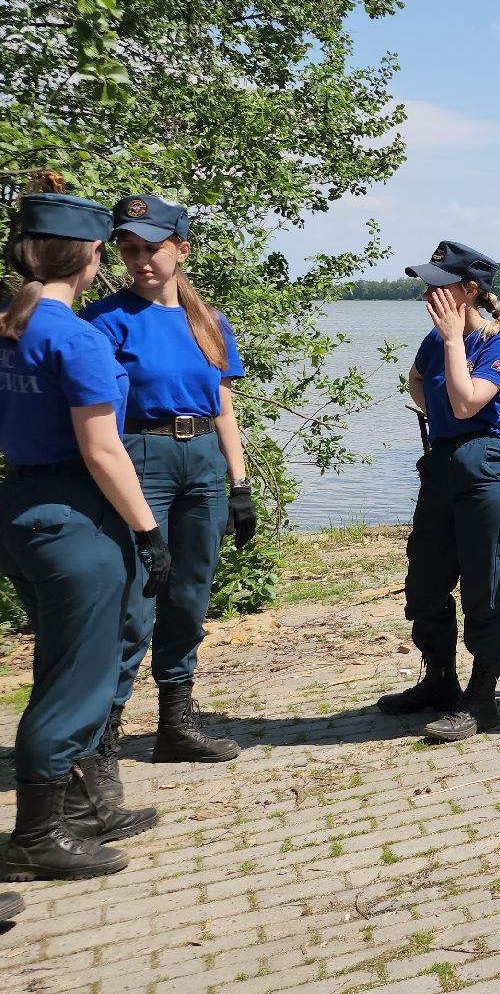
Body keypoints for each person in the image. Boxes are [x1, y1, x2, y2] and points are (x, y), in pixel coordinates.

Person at [0, 192, 170, 881]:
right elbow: (103, 452)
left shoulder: (9, 326)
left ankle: (75, 811)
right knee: (77, 681)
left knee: (60, 665)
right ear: (93, 256)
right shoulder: (75, 338)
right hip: (76, 515)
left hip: (22, 505)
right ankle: (36, 840)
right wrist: (149, 532)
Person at [79, 195, 250, 794]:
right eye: (129, 250)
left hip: (202, 457)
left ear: (181, 248)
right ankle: (103, 741)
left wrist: (240, 483)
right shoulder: (106, 320)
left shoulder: (209, 321)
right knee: (136, 597)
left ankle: (175, 726)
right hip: (141, 457)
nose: (141, 260)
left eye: (153, 247)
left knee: (190, 593)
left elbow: (225, 407)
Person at [373, 241, 500, 741]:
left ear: (469, 290)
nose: (428, 293)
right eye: (427, 284)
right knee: (425, 582)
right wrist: (431, 405)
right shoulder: (433, 341)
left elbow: (465, 405)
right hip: (442, 466)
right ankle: (439, 681)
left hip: (486, 469)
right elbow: (417, 380)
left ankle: (482, 700)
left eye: (438, 284)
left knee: (482, 588)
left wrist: (455, 343)